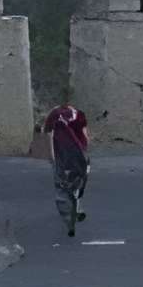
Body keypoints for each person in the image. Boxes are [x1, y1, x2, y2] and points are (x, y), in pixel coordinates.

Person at [39, 100, 92, 233]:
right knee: (79, 180)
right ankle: (77, 207)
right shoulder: (80, 114)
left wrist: (52, 156)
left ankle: (69, 214)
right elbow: (85, 136)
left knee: (62, 184)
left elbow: (49, 136)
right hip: (79, 155)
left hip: (61, 155)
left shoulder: (54, 114)